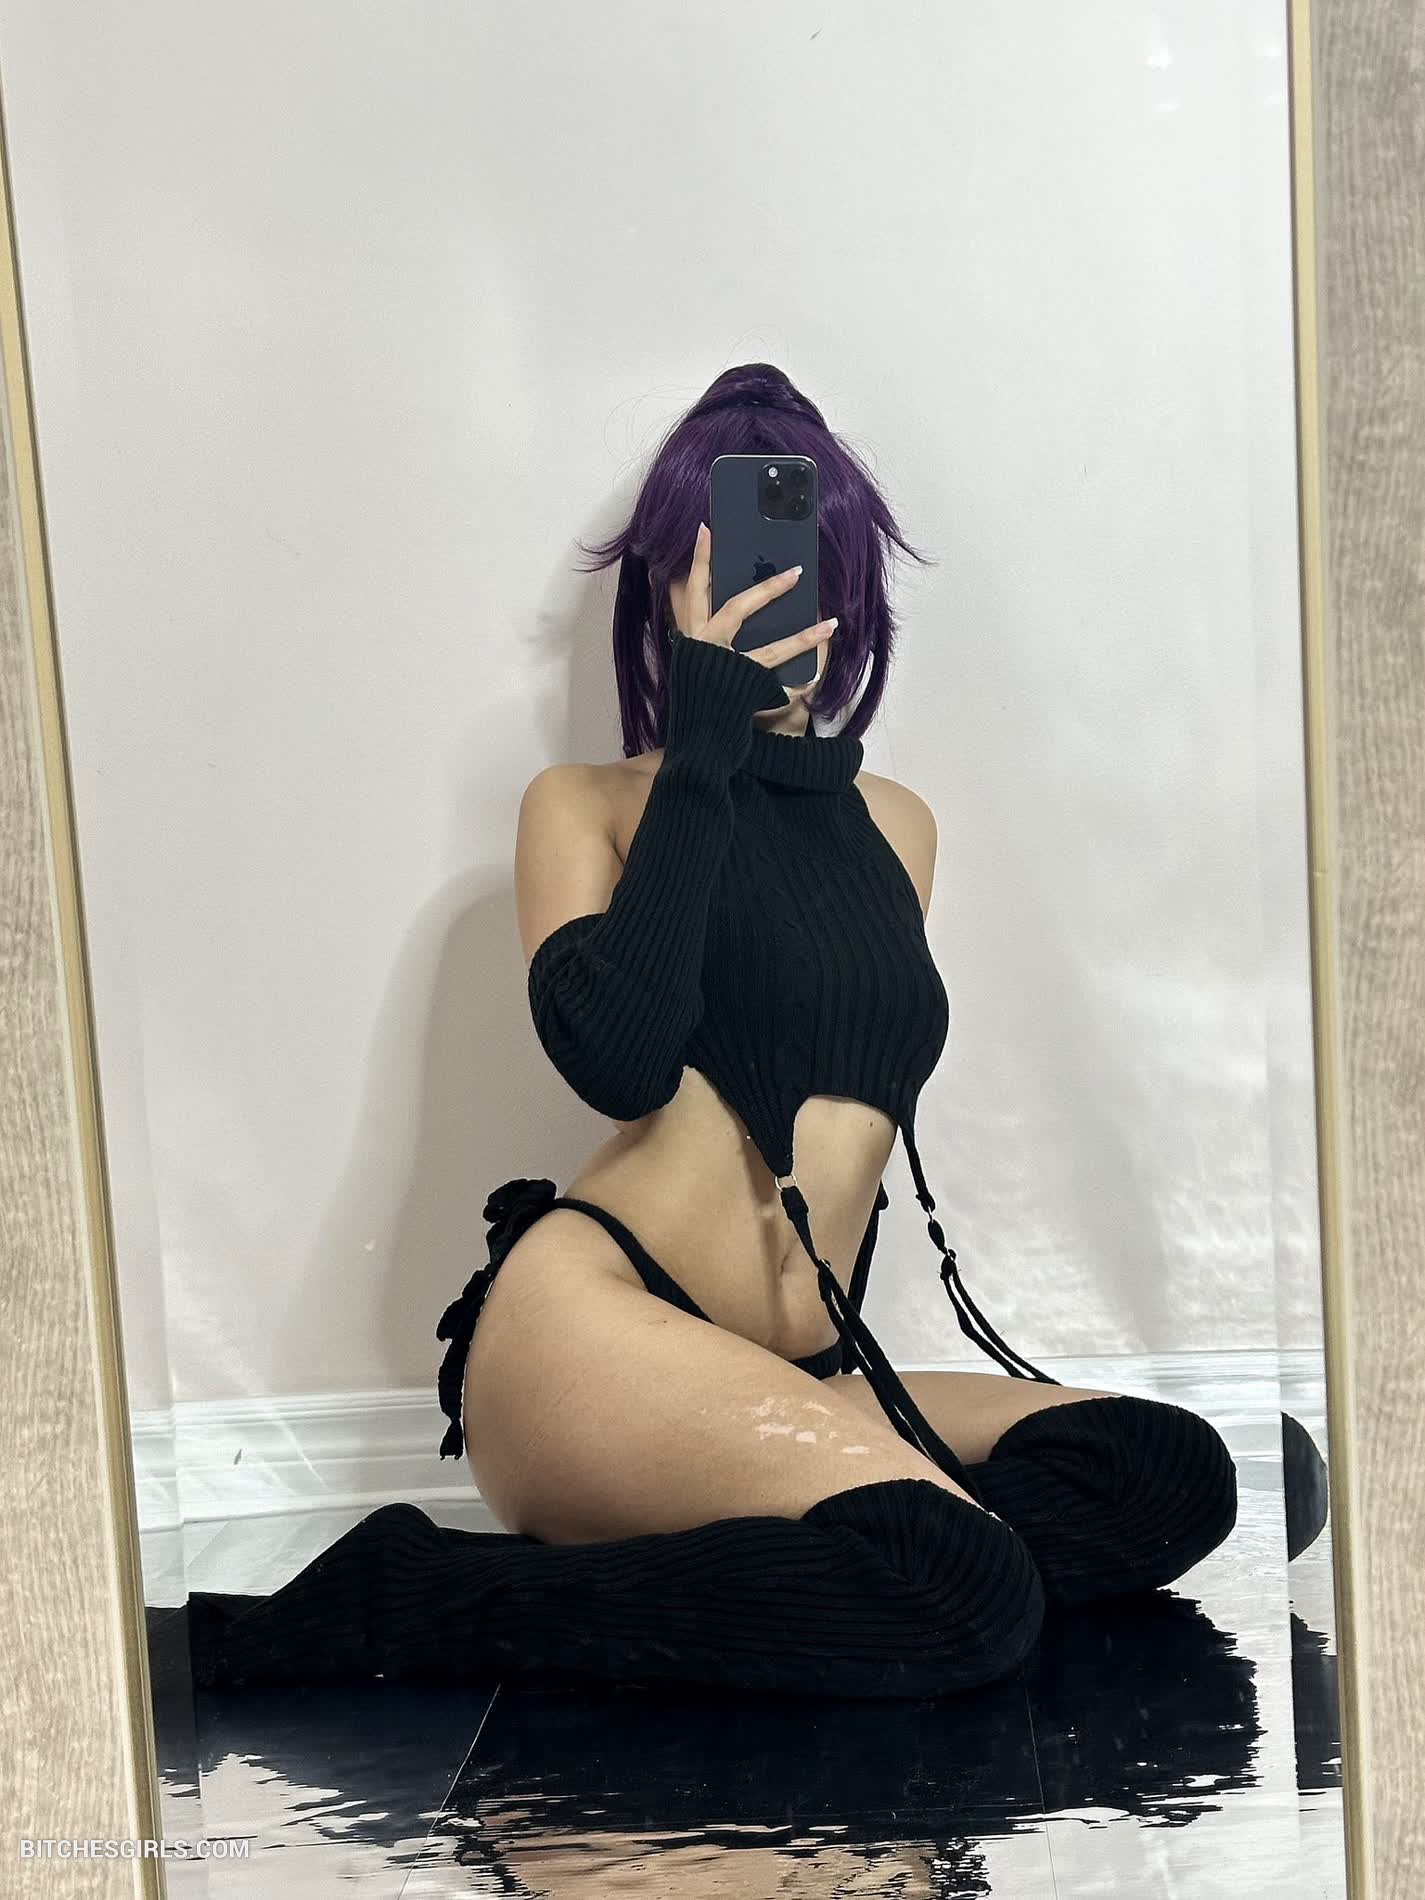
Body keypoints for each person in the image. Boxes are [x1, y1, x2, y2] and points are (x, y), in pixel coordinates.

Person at [187, 365, 1244, 1700]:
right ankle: (412, 1596)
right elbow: (618, 1064)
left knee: (1166, 1474)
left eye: (803, 565)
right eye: (726, 564)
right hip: (597, 1332)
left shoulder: (900, 826)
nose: (767, 592)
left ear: (848, 589)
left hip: (792, 1368)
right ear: (664, 595)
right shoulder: (585, 804)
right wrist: (696, 753)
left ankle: (804, 1562)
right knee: (957, 1589)